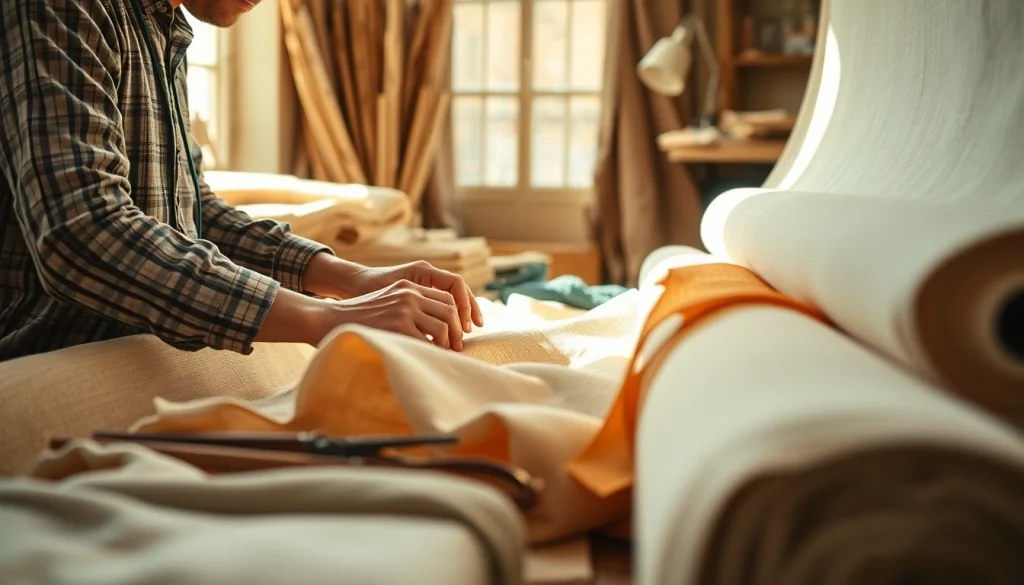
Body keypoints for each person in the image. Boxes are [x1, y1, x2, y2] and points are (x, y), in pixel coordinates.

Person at [0, 0, 482, 362]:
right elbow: (81, 231)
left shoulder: (164, 30)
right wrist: (325, 318)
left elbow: (195, 215)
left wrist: (354, 280)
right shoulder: (59, 7)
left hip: (137, 366)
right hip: (44, 371)